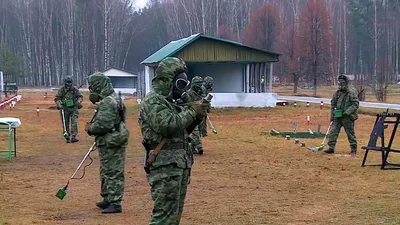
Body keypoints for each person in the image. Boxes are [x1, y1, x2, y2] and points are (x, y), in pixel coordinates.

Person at [138, 57, 209, 224]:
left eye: (185, 85)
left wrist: (198, 116)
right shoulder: (153, 101)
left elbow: (182, 131)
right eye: (180, 84)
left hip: (178, 165)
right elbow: (168, 126)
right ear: (168, 81)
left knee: (173, 216)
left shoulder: (170, 102)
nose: (182, 90)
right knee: (163, 217)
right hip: (165, 167)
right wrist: (192, 112)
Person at [85, 72, 129, 214]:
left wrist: (90, 128)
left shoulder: (108, 102)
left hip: (112, 142)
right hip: (111, 140)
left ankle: (115, 202)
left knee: (113, 171)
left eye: (92, 87)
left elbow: (103, 125)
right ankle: (108, 198)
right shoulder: (114, 98)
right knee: (106, 171)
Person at [324, 74, 359, 155]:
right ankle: (331, 147)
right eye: (339, 83)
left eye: (342, 83)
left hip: (348, 117)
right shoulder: (337, 93)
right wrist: (333, 115)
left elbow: (355, 104)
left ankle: (353, 149)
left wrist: (347, 112)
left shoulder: (351, 92)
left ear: (346, 83)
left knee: (350, 133)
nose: (340, 85)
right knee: (333, 132)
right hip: (338, 116)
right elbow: (333, 104)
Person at [54, 76, 83, 143]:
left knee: (74, 123)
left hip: (73, 108)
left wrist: (78, 102)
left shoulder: (75, 89)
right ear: (65, 82)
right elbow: (57, 98)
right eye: (67, 82)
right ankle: (67, 136)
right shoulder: (62, 90)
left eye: (70, 82)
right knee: (65, 123)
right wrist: (59, 105)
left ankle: (73, 136)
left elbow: (80, 97)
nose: (69, 84)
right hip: (64, 108)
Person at [186, 76, 205, 155]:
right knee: (194, 132)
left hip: (199, 116)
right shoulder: (188, 93)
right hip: (191, 115)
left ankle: (193, 148)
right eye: (198, 85)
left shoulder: (200, 93)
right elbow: (186, 104)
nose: (200, 87)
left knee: (198, 132)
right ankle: (199, 147)